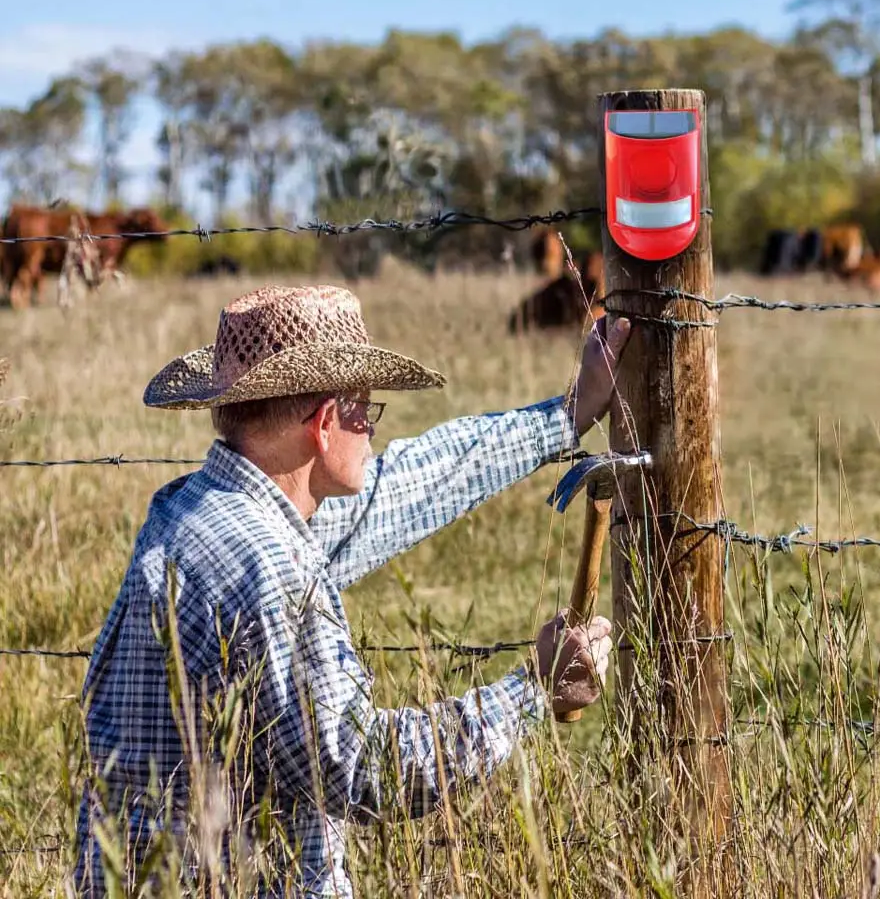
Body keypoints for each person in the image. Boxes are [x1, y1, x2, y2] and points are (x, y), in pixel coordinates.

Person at [72, 283, 631, 898]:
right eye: (366, 409)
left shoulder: (195, 511)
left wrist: (566, 416)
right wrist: (532, 691)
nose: (371, 430)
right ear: (323, 423)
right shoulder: (270, 564)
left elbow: (409, 484)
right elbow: (361, 767)